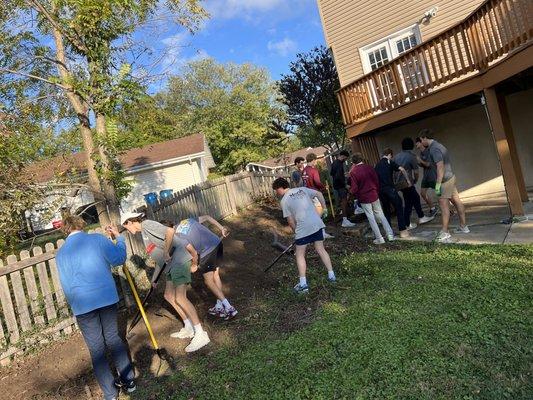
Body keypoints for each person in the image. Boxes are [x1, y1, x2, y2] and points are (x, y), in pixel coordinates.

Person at [55, 215, 135, 400]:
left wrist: (75, 304)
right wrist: (119, 238)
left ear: (65, 230)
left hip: (82, 305)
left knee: (96, 349)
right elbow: (119, 258)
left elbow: (66, 285)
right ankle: (129, 381)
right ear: (81, 225)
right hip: (105, 298)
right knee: (113, 339)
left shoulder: (61, 254)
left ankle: (110, 393)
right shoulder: (97, 240)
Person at [121, 212, 210, 353]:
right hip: (172, 263)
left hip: (180, 259)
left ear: (129, 222)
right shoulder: (144, 230)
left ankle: (200, 334)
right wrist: (155, 278)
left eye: (125, 227)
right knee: (169, 295)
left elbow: (169, 230)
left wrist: (167, 252)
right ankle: (188, 326)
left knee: (180, 297)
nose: (127, 230)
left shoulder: (147, 224)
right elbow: (161, 254)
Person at [164, 215, 238, 323]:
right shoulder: (185, 221)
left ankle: (229, 307)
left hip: (207, 251)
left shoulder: (178, 236)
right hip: (217, 243)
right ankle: (219, 306)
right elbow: (207, 217)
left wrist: (194, 265)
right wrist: (221, 228)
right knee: (215, 275)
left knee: (208, 280)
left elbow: (193, 252)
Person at [272, 177, 336, 294]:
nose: (276, 192)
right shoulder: (302, 189)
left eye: (276, 190)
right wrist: (325, 208)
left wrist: (297, 233)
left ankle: (303, 285)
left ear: (280, 188)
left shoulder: (284, 200)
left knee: (300, 255)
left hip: (303, 228)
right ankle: (332, 276)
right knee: (321, 250)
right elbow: (319, 194)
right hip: (316, 223)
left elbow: (290, 221)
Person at [419, 129, 469, 242]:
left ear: (425, 138)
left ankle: (445, 232)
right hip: (450, 177)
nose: (421, 143)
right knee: (456, 201)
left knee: (444, 206)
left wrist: (438, 184)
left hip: (444, 181)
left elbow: (440, 167)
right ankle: (463, 227)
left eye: (421, 140)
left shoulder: (434, 148)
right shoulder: (439, 145)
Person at [349, 153, 395, 244]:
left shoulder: (353, 172)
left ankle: (379, 238)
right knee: (381, 214)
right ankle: (390, 234)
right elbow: (376, 180)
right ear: (362, 159)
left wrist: (350, 194)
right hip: (374, 194)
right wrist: (376, 190)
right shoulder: (369, 167)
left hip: (364, 197)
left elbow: (354, 188)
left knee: (371, 217)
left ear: (353, 162)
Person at [393, 137, 435, 229]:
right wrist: (415, 180)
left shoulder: (396, 156)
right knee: (410, 202)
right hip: (407, 183)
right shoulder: (411, 156)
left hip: (398, 184)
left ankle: (420, 217)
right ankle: (407, 224)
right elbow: (416, 172)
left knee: (413, 199)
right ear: (411, 145)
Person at [374, 148, 410, 238]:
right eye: (391, 156)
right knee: (399, 205)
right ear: (389, 155)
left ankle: (389, 232)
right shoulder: (389, 162)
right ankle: (403, 230)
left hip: (381, 191)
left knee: (386, 210)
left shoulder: (377, 165)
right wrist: (408, 180)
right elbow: (402, 169)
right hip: (390, 189)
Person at [330, 150, 356, 228]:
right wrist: (345, 185)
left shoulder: (334, 163)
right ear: (343, 156)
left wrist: (342, 175)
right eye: (346, 158)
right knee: (344, 201)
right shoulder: (339, 164)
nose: (346, 160)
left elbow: (332, 173)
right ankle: (345, 220)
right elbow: (338, 177)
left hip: (336, 185)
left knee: (344, 200)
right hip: (340, 185)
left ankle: (345, 216)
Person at [415, 137, 438, 216]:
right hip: (426, 177)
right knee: (422, 193)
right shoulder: (421, 153)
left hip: (433, 176)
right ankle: (433, 208)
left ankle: (450, 210)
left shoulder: (428, 151)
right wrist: (417, 162)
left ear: (421, 143)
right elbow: (423, 165)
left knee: (440, 194)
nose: (416, 144)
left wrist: (420, 160)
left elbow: (428, 164)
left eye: (417, 142)